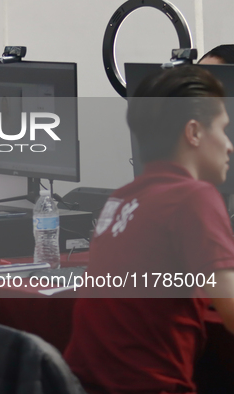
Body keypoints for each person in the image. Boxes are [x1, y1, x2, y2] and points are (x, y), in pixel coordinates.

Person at [64, 66, 234, 394]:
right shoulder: (193, 196)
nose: (229, 146)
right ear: (194, 132)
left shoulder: (121, 199)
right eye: (224, 130)